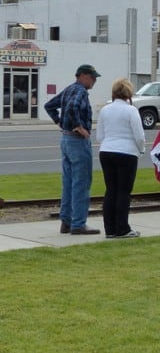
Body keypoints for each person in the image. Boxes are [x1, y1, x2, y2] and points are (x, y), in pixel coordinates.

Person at [44, 64, 101, 235]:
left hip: (66, 139)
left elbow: (49, 106)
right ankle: (78, 223)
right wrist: (79, 126)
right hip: (77, 141)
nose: (94, 81)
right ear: (82, 76)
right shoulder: (80, 91)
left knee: (68, 182)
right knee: (81, 182)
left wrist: (59, 122)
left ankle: (66, 221)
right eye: (92, 77)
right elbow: (72, 108)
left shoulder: (69, 89)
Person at [96, 78, 147, 239]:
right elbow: (139, 136)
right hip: (127, 153)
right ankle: (122, 228)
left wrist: (109, 142)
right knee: (124, 191)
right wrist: (141, 150)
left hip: (106, 151)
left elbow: (99, 136)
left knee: (111, 190)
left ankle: (110, 229)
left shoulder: (105, 110)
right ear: (128, 93)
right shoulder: (131, 111)